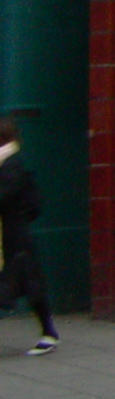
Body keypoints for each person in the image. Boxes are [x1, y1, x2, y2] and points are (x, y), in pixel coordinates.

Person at [0, 121, 61, 356]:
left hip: (13, 241)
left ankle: (49, 333)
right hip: (13, 238)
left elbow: (8, 197)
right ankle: (49, 332)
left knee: (31, 286)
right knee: (29, 285)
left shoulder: (11, 166)